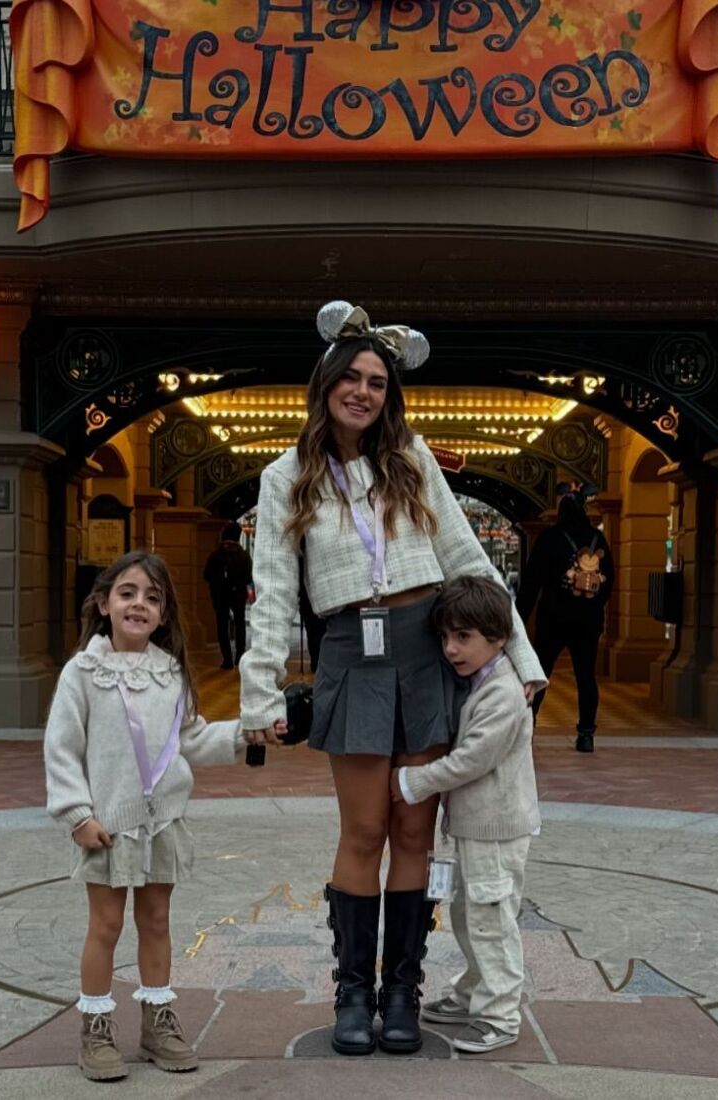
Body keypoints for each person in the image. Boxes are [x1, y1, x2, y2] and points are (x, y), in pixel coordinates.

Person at [239, 301, 546, 1057]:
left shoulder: (410, 458)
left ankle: (402, 990)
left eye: (377, 382)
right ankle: (353, 992)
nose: (364, 392)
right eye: (351, 378)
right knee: (364, 830)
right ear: (325, 385)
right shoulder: (285, 477)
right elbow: (271, 592)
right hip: (351, 652)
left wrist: (522, 657)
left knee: (414, 828)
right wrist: (259, 692)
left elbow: (469, 557)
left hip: (425, 650)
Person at [44, 550, 254, 1082]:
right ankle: (95, 1027)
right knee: (106, 925)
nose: (139, 604)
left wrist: (245, 733)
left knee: (157, 921)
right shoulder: (82, 672)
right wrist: (76, 814)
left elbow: (191, 739)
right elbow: (62, 747)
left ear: (163, 615)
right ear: (104, 604)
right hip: (106, 825)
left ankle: (157, 1022)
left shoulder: (170, 673)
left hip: (163, 821)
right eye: (128, 593)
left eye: (152, 598)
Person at [391, 576, 539, 1054]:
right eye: (445, 637)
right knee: (469, 913)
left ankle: (500, 1013)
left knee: (491, 918)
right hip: (477, 827)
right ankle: (474, 990)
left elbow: (473, 759)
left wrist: (414, 781)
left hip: (497, 829)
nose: (451, 649)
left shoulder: (504, 694)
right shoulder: (480, 682)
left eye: (463, 636)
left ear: (498, 638)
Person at [516, 486, 615, 753]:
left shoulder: (550, 538)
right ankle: (586, 734)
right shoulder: (597, 538)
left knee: (540, 673)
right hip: (588, 622)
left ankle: (528, 727)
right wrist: (594, 605)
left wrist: (519, 617)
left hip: (553, 619)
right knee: (586, 676)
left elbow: (531, 582)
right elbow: (609, 581)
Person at [202, 521, 253, 670]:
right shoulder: (244, 555)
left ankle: (227, 659)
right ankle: (240, 656)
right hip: (238, 593)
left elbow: (206, 575)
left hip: (220, 594)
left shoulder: (216, 555)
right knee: (240, 624)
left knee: (222, 625)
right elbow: (248, 578)